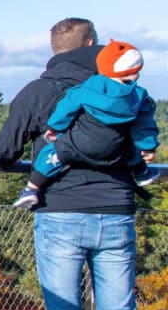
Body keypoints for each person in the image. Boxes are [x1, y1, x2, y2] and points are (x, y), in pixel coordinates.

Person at [0, 17, 146, 310]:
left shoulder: (38, 91)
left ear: (53, 49)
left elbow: (2, 154)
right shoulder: (120, 90)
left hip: (59, 213)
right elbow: (142, 142)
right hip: (116, 212)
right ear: (93, 44)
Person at [13, 38, 160, 209]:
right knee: (131, 149)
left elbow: (66, 109)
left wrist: (54, 128)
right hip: (116, 148)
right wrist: (148, 147)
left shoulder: (86, 88)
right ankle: (142, 173)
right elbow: (144, 125)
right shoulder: (139, 96)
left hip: (81, 144)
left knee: (53, 153)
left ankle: (31, 189)